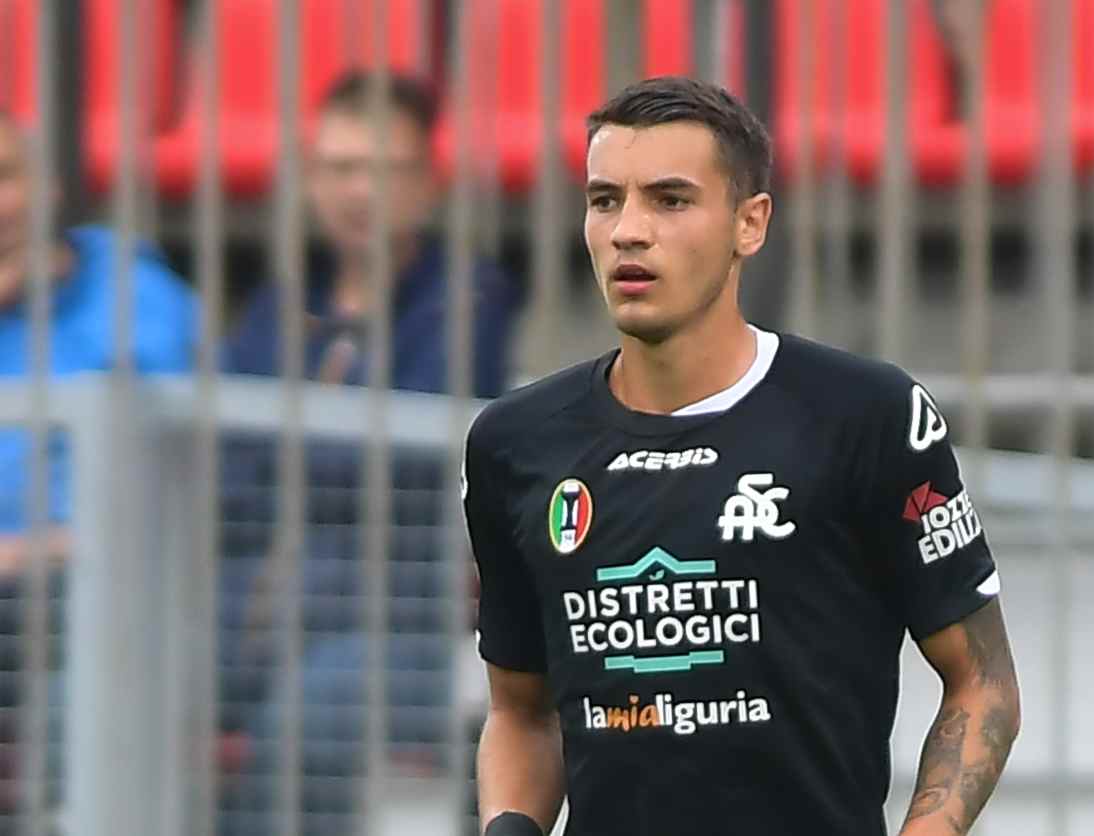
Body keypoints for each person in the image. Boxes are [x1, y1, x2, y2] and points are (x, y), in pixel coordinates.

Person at [464, 76, 1020, 836]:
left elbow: (984, 684)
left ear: (749, 224)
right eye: (604, 201)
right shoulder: (517, 443)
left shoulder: (866, 416)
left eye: (670, 200)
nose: (629, 231)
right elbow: (521, 712)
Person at [217, 71, 519, 836]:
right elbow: (227, 464)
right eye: (340, 167)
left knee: (299, 733)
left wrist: (289, 438)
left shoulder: (467, 297)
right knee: (118, 685)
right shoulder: (282, 303)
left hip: (398, 622)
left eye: (383, 169)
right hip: (249, 605)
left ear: (427, 184)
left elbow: (396, 463)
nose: (358, 191)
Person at [0, 109, 197, 817]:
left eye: (6, 177)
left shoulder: (135, 300)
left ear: (48, 187)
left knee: (81, 700)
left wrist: (35, 552)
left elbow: (170, 490)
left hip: (105, 593)